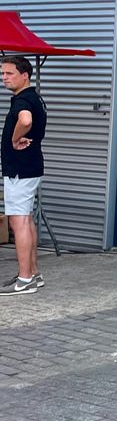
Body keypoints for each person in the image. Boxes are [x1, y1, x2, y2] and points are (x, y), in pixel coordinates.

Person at [1, 55, 49, 295]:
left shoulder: (23, 100)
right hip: (30, 167)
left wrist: (14, 138)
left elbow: (26, 121)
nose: (4, 78)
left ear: (24, 75)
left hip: (20, 169)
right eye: (2, 73)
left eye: (9, 73)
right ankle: (33, 273)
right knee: (26, 220)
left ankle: (25, 279)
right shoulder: (34, 97)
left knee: (18, 221)